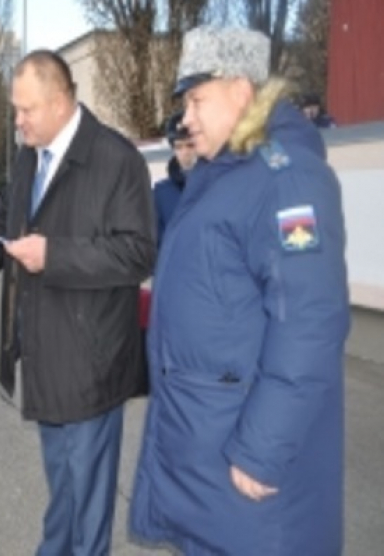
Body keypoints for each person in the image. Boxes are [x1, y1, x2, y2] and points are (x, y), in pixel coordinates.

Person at [129, 27, 350, 555]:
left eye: (197, 100)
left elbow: (310, 322)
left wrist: (261, 450)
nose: (186, 118)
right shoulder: (224, 174)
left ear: (242, 91)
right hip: (207, 449)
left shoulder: (286, 179)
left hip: (243, 469)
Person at [0, 50, 156, 556]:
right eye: (15, 110)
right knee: (64, 490)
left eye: (26, 110)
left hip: (91, 363)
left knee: (87, 503)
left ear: (61, 101)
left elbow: (138, 253)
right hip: (45, 353)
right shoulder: (31, 156)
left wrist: (55, 255)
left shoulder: (116, 159)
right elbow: (1, 220)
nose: (17, 121)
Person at [153, 110, 198, 246]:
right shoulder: (161, 194)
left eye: (190, 145)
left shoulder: (219, 186)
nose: (185, 153)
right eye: (178, 147)